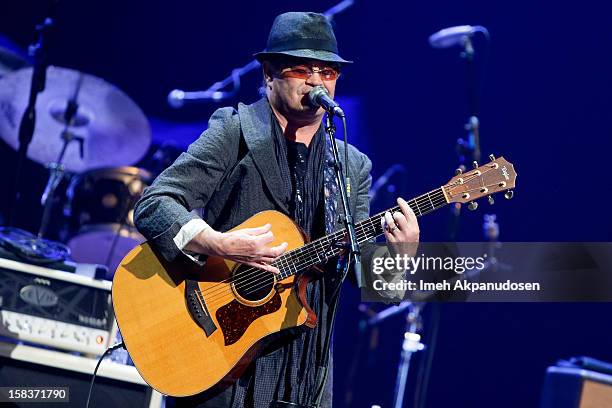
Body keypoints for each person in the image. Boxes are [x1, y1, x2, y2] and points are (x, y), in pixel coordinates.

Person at [133, 11, 419, 408]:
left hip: (307, 376)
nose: (317, 81)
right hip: (221, 359)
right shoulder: (235, 132)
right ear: (269, 73)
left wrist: (401, 257)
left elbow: (368, 280)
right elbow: (154, 204)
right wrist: (217, 243)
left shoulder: (351, 167)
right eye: (303, 69)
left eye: (328, 72)